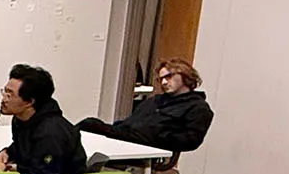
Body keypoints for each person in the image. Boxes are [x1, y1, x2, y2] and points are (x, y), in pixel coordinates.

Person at [0, 64, 87, 174]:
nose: (4, 98)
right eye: (4, 91)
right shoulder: (21, 119)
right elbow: (21, 148)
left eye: (10, 94)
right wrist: (7, 153)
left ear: (29, 102)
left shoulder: (50, 133)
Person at [76, 57, 213, 156]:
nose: (164, 82)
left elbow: (191, 141)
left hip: (148, 145)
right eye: (161, 79)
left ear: (185, 75)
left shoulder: (198, 107)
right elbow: (131, 122)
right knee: (86, 128)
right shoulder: (154, 101)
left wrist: (158, 134)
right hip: (126, 137)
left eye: (169, 77)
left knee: (89, 125)